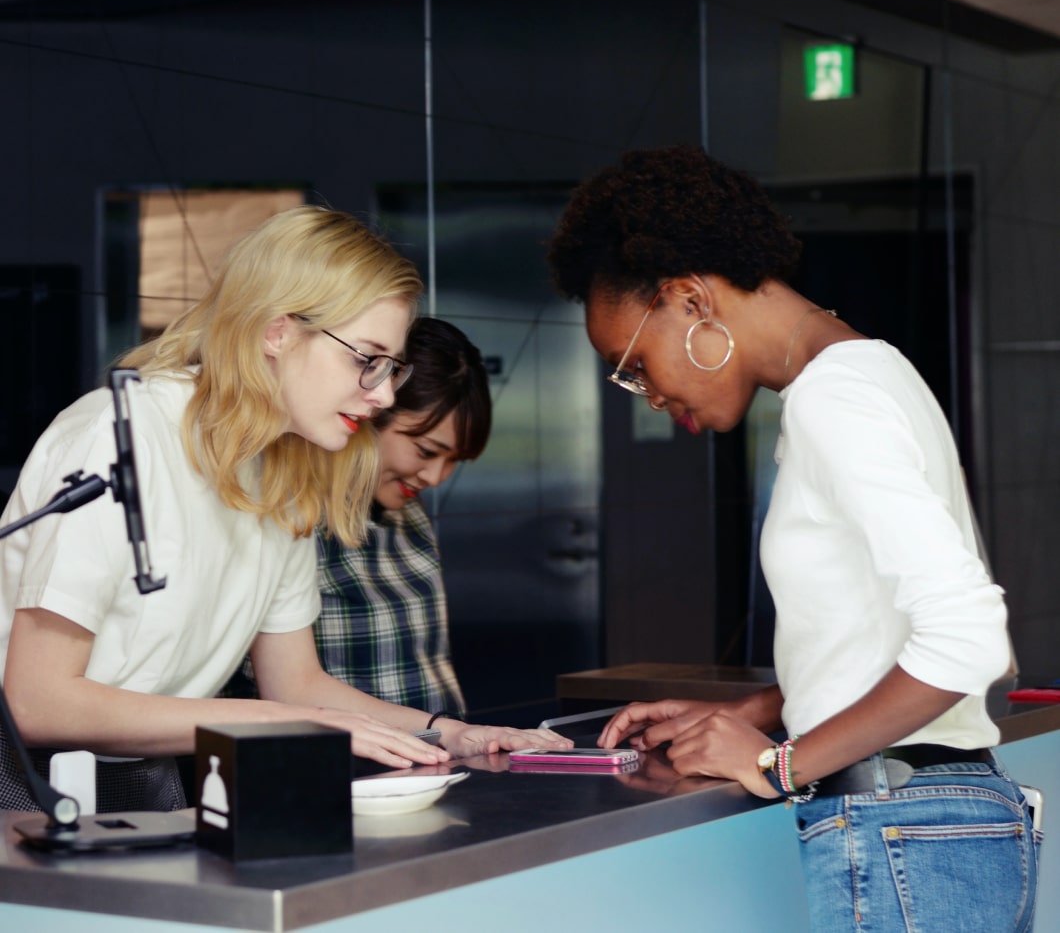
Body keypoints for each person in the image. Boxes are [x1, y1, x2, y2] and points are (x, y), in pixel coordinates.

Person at [546, 146, 1039, 931]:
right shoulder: (865, 374)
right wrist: (761, 710)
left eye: (635, 364)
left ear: (688, 299)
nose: (648, 396)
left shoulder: (833, 399)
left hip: (902, 829)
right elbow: (898, 633)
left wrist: (776, 765)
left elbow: (971, 639)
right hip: (932, 828)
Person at [0, 205, 567, 814]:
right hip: (16, 776)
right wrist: (285, 720)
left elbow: (298, 684)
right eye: (365, 359)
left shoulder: (288, 473)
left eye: (391, 368)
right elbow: (39, 704)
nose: (382, 396)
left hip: (142, 772)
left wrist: (448, 732)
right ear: (277, 331)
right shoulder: (117, 436)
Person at [227, 316, 483, 716]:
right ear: (367, 416)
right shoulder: (286, 512)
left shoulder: (407, 517)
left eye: (456, 460)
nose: (436, 477)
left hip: (433, 756)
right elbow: (287, 686)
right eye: (427, 451)